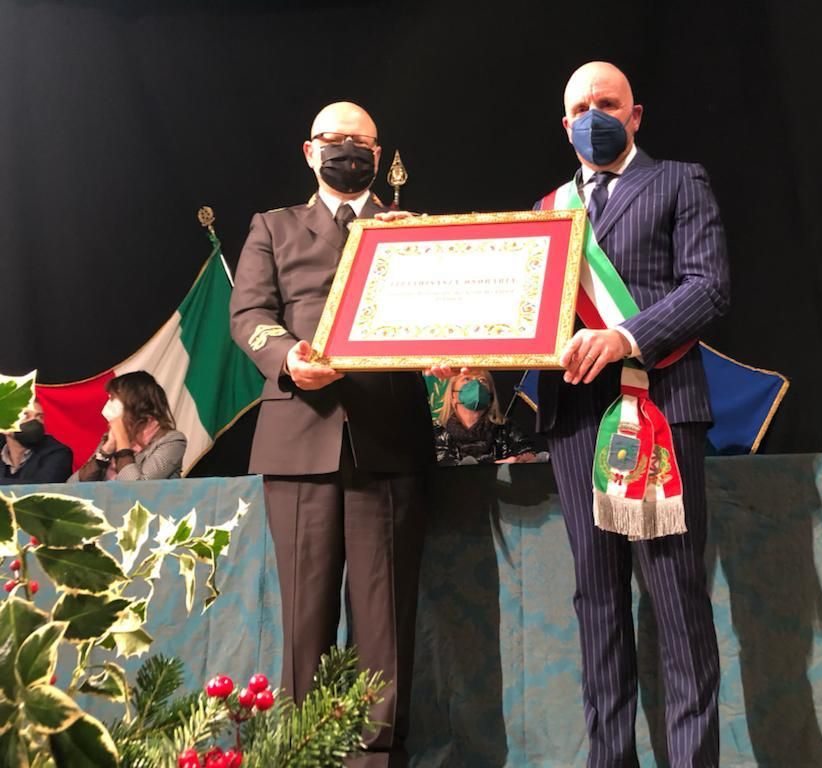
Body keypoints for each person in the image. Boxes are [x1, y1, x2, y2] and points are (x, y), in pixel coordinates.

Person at [229, 102, 433, 767]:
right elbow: (249, 314)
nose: (348, 150)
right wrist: (289, 358)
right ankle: (303, 755)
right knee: (305, 621)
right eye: (335, 140)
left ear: (379, 153)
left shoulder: (406, 229)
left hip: (389, 440)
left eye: (361, 142)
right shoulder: (273, 227)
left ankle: (378, 757)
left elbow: (441, 316)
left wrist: (426, 251)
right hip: (299, 439)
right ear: (309, 151)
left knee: (384, 622)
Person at [537, 62, 730, 766]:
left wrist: (625, 337)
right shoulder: (547, 209)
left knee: (676, 600)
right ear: (565, 125)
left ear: (635, 114)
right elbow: (527, 314)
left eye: (608, 103)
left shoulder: (679, 181)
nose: (595, 115)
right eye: (582, 107)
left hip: (659, 408)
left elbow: (709, 287)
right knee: (597, 603)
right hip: (574, 419)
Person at [69, 371, 186, 483]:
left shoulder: (171, 441)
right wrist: (106, 450)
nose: (108, 405)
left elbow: (136, 489)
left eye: (112, 398)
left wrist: (122, 440)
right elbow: (72, 486)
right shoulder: (111, 437)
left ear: (134, 402)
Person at [433, 369, 536, 465]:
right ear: (453, 395)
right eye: (467, 379)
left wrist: (524, 458)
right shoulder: (438, 432)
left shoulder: (506, 428)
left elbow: (525, 453)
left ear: (490, 395)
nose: (476, 385)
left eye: (482, 380)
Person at [0, 401, 73, 485]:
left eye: (40, 417)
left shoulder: (58, 452)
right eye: (25, 416)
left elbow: (42, 487)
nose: (34, 422)